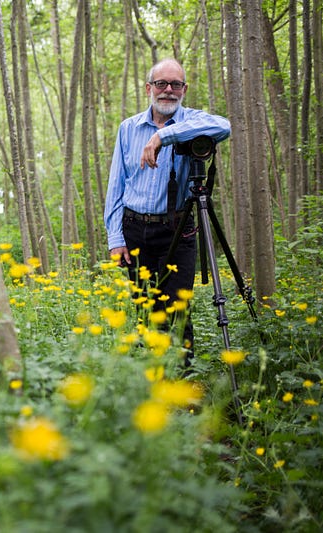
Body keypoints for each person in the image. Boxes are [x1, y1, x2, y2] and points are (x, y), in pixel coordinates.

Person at [104, 58, 231, 368]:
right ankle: (152, 384)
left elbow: (224, 126)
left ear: (184, 89)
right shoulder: (128, 128)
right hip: (134, 229)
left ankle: (183, 386)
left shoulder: (193, 122)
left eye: (176, 84)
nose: (168, 91)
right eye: (161, 84)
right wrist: (115, 237)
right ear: (149, 88)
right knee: (146, 309)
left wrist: (165, 136)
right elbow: (116, 184)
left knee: (177, 311)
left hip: (178, 228)